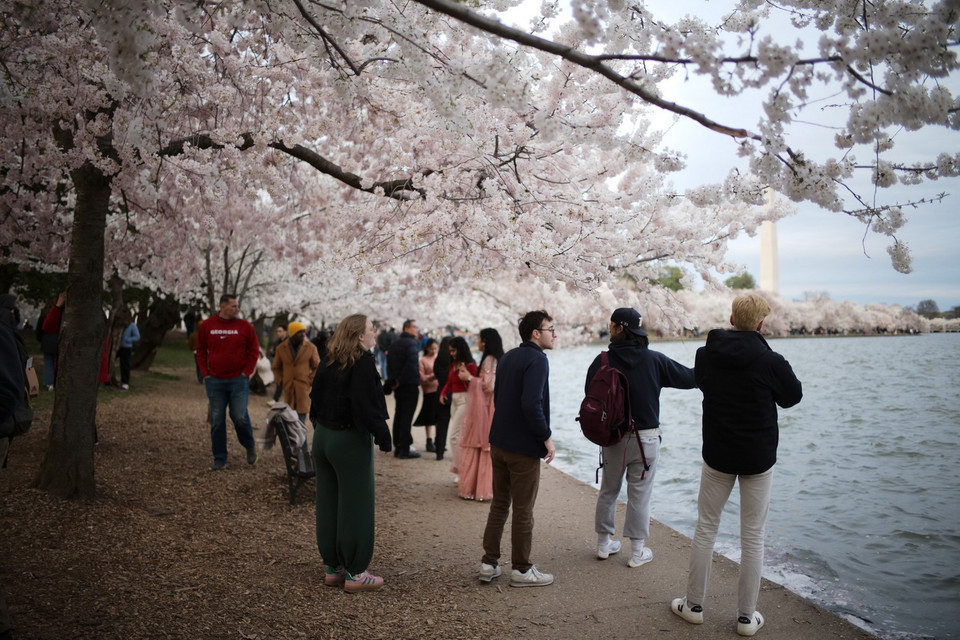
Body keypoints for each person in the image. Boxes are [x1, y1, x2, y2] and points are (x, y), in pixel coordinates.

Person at [671, 293, 802, 637]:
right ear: (761, 325)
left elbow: (703, 382)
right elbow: (792, 397)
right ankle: (746, 617)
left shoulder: (706, 355)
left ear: (731, 319)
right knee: (753, 536)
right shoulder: (770, 360)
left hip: (718, 453)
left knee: (706, 528)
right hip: (758, 457)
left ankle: (693, 605)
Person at [586, 307, 696, 567]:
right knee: (640, 494)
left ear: (620, 328)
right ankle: (637, 552)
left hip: (613, 436)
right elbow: (690, 378)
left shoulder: (602, 360)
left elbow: (590, 394)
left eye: (611, 324)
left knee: (608, 490)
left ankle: (603, 545)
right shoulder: (654, 360)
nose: (609, 328)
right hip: (645, 439)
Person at [309, 313, 392, 593]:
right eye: (371, 329)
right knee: (356, 506)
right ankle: (356, 571)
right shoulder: (363, 362)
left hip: (323, 438)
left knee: (329, 502)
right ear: (359, 336)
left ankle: (334, 567)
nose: (375, 333)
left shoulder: (329, 359)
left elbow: (315, 398)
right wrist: (383, 436)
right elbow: (365, 405)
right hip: (348, 439)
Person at [479, 310, 557, 588]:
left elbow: (500, 399)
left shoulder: (510, 356)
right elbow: (531, 403)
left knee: (499, 505)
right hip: (522, 448)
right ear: (536, 333)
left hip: (499, 441)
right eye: (550, 328)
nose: (554, 333)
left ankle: (489, 564)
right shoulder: (537, 359)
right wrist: (546, 436)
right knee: (523, 510)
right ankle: (522, 570)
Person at [196, 294, 260, 471]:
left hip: (238, 380)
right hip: (214, 380)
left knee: (239, 416)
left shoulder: (245, 326)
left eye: (238, 306)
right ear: (222, 307)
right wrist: (205, 373)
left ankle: (249, 445)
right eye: (233, 306)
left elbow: (254, 351)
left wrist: (246, 373)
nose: (237, 309)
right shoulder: (208, 325)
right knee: (217, 419)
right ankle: (220, 458)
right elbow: (200, 350)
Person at [457, 328, 503, 501]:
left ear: (485, 341)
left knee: (481, 445)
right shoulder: (495, 359)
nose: (476, 341)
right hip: (486, 407)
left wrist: (470, 378)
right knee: (482, 446)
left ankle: (478, 489)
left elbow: (489, 385)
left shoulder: (490, 360)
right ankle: (480, 489)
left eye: (479, 338)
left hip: (486, 409)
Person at [439, 336, 477, 475]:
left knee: (454, 437)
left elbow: (475, 386)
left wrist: (465, 376)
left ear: (460, 349)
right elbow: (450, 382)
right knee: (459, 436)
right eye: (450, 351)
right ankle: (461, 469)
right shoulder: (453, 363)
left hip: (465, 400)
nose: (451, 353)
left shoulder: (471, 366)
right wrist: (443, 392)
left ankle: (462, 470)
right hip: (454, 400)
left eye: (454, 350)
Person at [272, 321, 321, 426]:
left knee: (301, 423)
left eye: (304, 331)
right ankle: (293, 442)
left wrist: (309, 380)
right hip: (288, 388)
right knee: (289, 421)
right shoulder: (281, 348)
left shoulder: (311, 348)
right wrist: (281, 381)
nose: (303, 334)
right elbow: (276, 367)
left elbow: (317, 367)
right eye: (300, 332)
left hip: (303, 389)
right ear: (292, 333)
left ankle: (301, 443)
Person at [386, 319, 421, 459]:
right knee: (406, 417)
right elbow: (411, 365)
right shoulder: (412, 343)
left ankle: (398, 446)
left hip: (398, 385)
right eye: (415, 327)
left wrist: (394, 380)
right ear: (407, 328)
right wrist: (400, 380)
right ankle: (404, 449)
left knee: (399, 414)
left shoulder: (394, 343)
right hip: (409, 385)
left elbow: (389, 364)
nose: (417, 329)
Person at [413, 338, 439, 452]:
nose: (433, 351)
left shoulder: (438, 358)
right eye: (431, 348)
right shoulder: (422, 360)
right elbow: (422, 378)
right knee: (429, 416)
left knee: (439, 416)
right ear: (426, 348)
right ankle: (429, 441)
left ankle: (439, 440)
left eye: (435, 348)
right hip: (429, 391)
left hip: (439, 390)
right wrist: (434, 375)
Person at [432, 336, 453, 461]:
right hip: (453, 391)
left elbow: (436, 373)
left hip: (440, 391)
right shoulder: (454, 359)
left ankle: (439, 451)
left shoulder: (439, 358)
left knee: (441, 423)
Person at [36, 296, 59, 390]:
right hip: (57, 339)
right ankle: (55, 381)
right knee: (56, 363)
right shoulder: (59, 314)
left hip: (47, 340)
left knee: (48, 362)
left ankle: (49, 382)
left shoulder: (44, 314)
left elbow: (39, 329)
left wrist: (40, 338)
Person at [117, 311, 141, 390]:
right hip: (116, 347)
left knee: (125, 365)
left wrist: (127, 340)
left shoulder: (132, 326)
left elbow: (137, 336)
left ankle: (125, 382)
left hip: (126, 347)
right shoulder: (118, 325)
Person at [268, 325, 288, 402]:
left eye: (280, 331)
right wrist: (272, 352)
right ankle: (276, 399)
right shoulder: (277, 342)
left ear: (285, 332)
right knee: (279, 382)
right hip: (280, 365)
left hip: (288, 365)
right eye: (277, 331)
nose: (278, 333)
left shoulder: (289, 342)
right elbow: (275, 354)